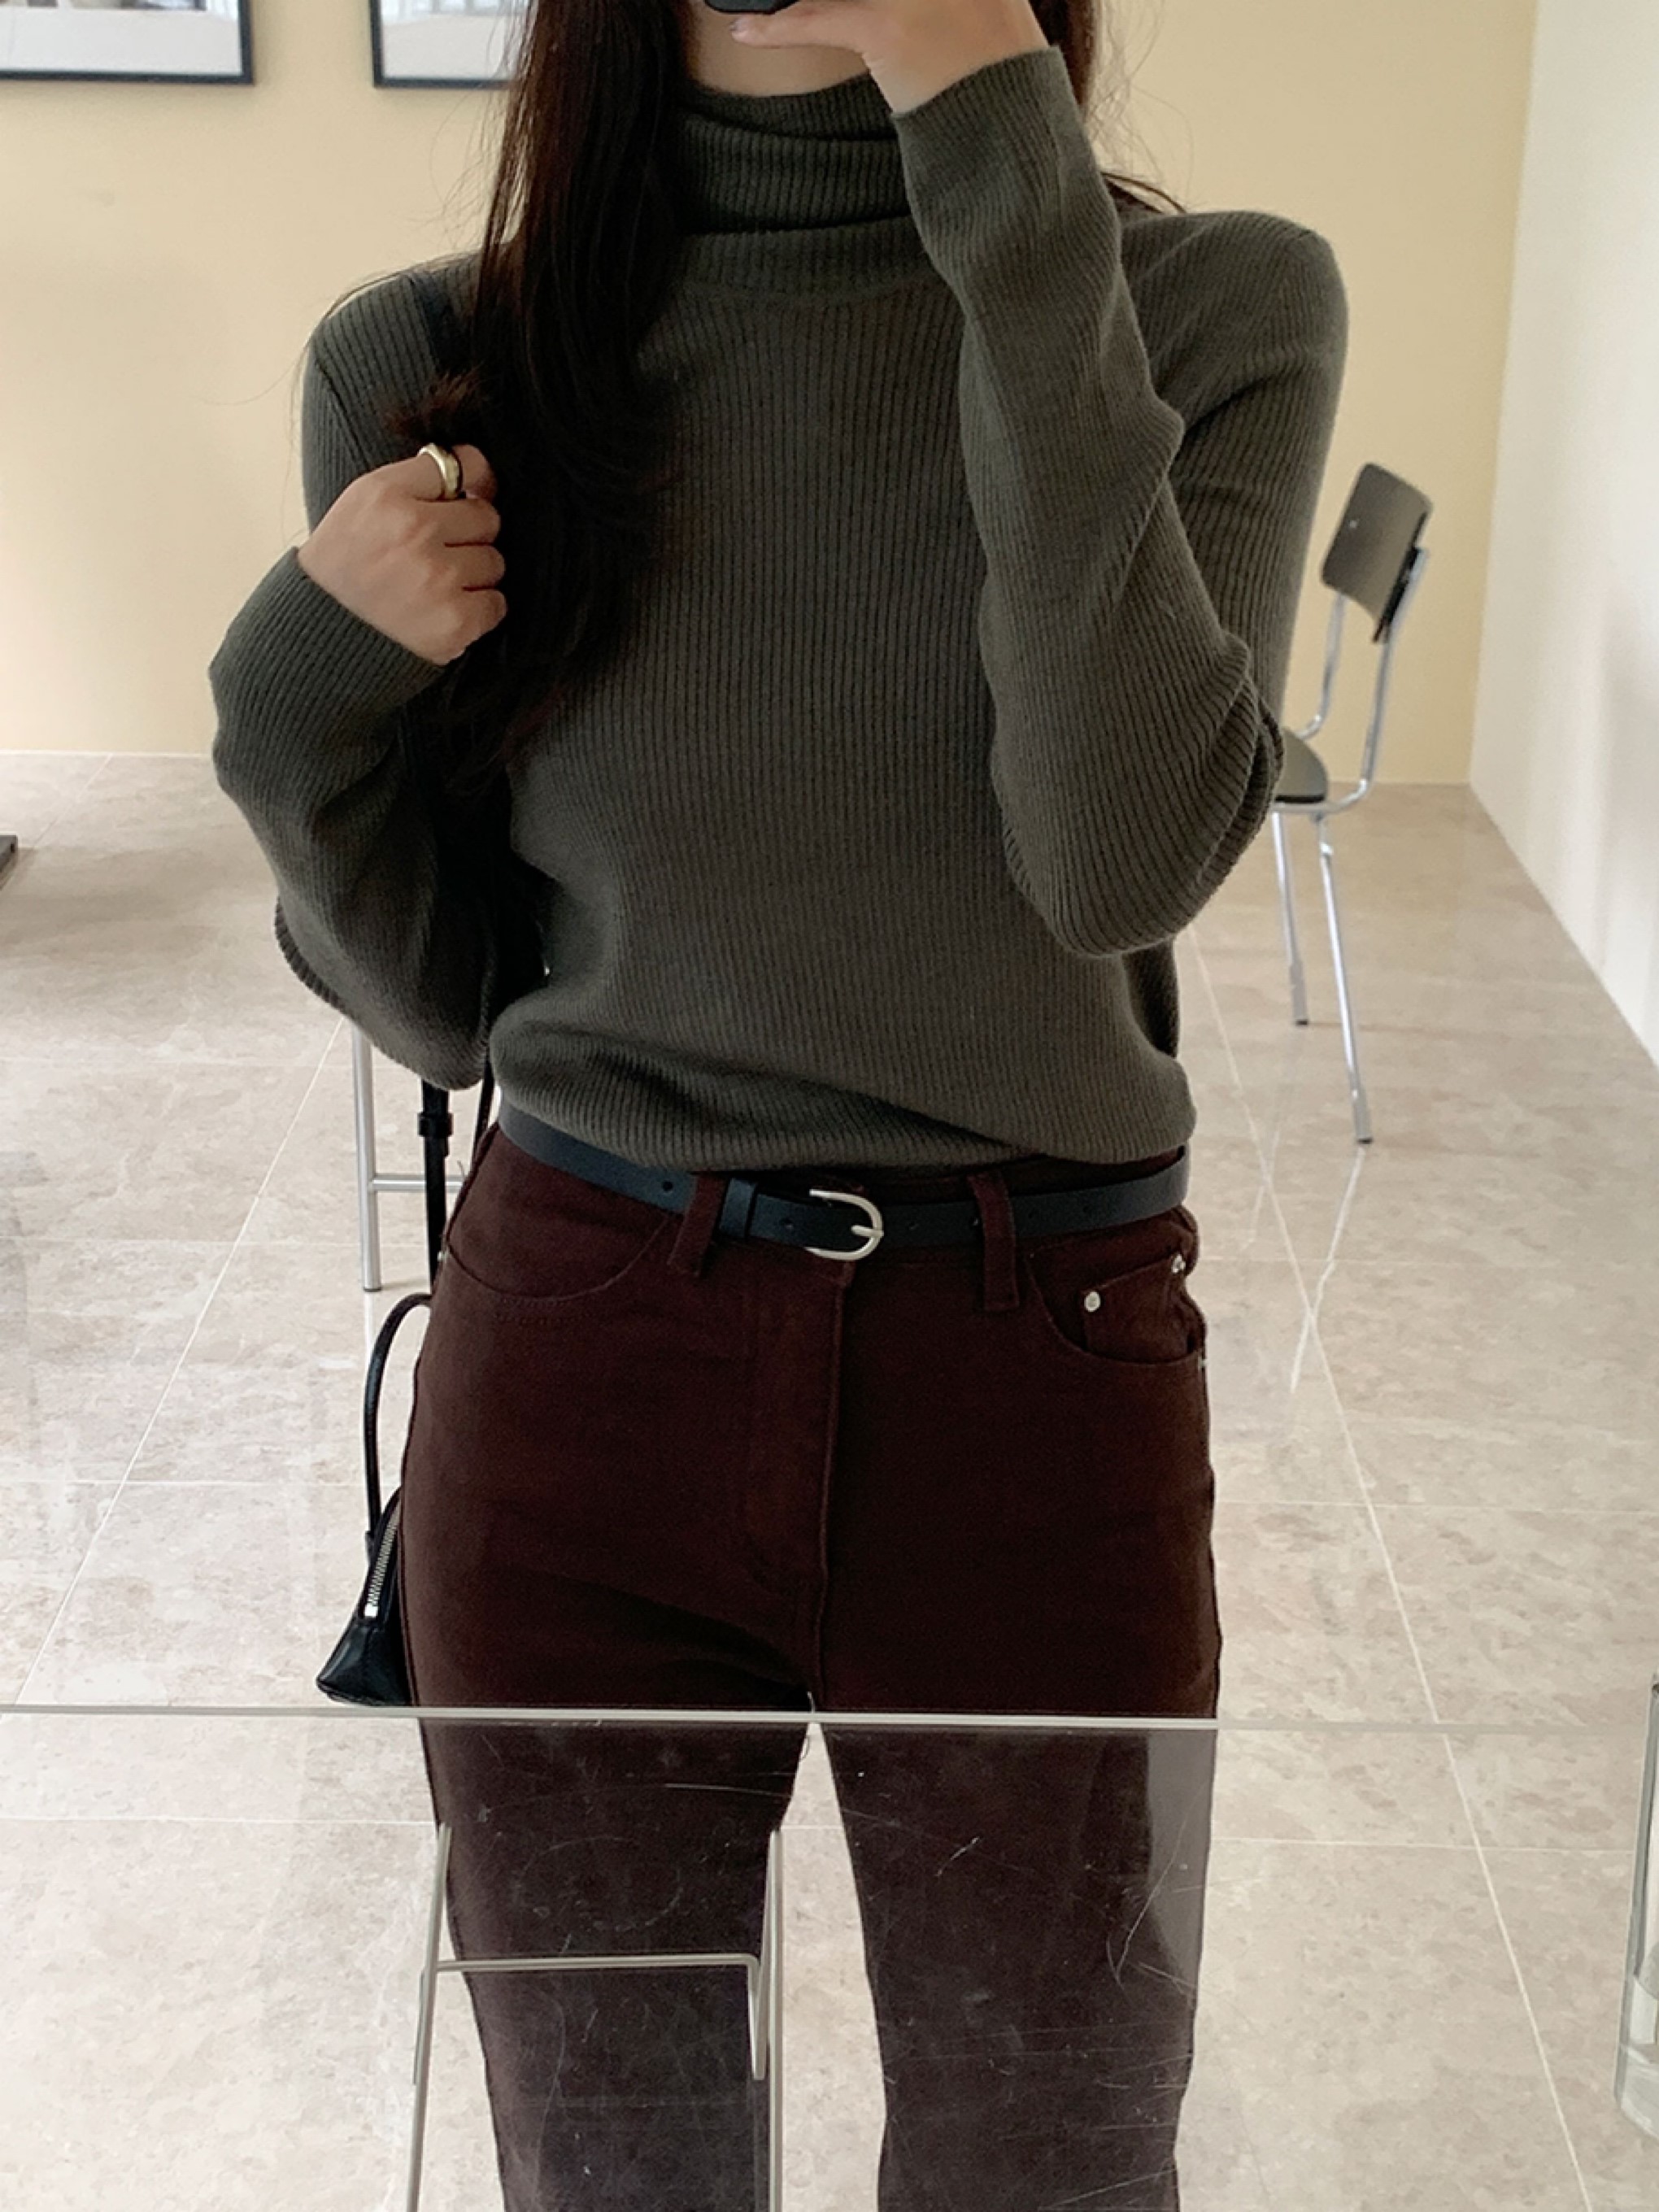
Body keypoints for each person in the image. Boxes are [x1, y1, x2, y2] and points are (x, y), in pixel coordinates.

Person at [210, 0, 1348, 2203]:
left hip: (1038, 1369)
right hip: (587, 1352)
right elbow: (443, 1003)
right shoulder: (438, 364)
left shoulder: (1210, 306)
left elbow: (1115, 857)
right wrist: (289, 701)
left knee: (1054, 2159)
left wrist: (986, 126)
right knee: (611, 2162)